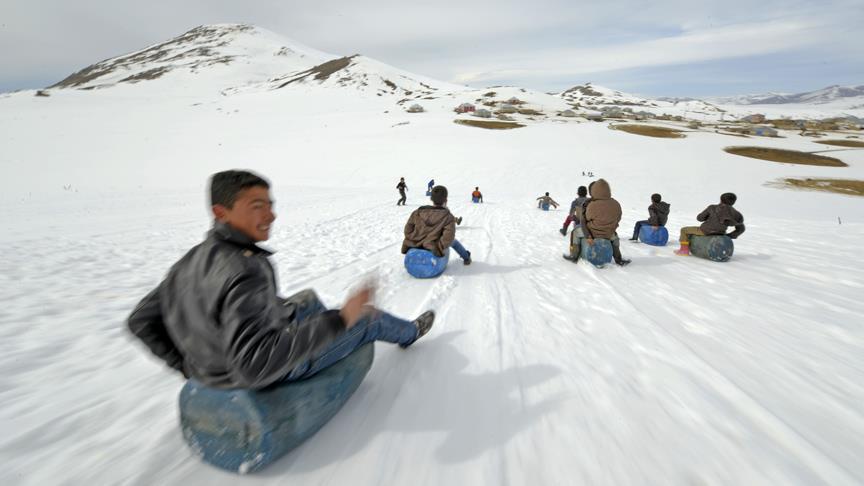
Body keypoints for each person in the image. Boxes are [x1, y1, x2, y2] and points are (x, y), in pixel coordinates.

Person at [127, 170, 434, 390]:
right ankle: (409, 333)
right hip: (257, 375)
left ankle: (330, 328)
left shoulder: (190, 260)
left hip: (215, 364)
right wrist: (341, 320)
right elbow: (254, 364)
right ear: (221, 212)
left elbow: (140, 320)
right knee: (367, 319)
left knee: (304, 301)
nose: (271, 215)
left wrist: (187, 367)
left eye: (270, 204)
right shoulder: (246, 270)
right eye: (257, 206)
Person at [564, 179, 630, 266]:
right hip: (608, 233)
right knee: (615, 238)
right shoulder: (616, 204)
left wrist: (588, 236)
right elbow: (618, 218)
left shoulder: (591, 204)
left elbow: (584, 220)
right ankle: (618, 259)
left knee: (575, 232)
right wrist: (611, 227)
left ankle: (574, 256)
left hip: (593, 233)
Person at [402, 185, 471, 265]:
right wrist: (437, 247)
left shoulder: (417, 212)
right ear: (446, 200)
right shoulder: (448, 216)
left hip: (415, 247)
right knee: (453, 241)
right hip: (433, 257)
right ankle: (466, 258)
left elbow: (407, 230)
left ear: (431, 199)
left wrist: (414, 240)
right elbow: (448, 238)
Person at [675, 193, 745, 256]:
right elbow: (741, 228)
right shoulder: (736, 214)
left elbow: (700, 218)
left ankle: (684, 250)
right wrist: (729, 236)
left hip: (705, 230)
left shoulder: (712, 207)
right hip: (721, 233)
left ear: (721, 200)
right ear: (733, 202)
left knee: (684, 230)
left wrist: (707, 217)